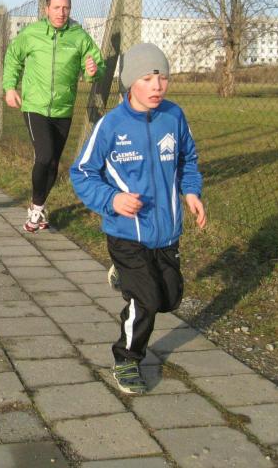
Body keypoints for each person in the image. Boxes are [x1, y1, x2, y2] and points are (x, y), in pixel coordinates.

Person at [69, 42, 206, 394]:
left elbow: (188, 160)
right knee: (145, 301)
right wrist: (112, 199)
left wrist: (191, 192)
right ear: (131, 83)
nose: (157, 86)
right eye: (147, 79)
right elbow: (82, 173)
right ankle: (127, 359)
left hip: (167, 231)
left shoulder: (174, 116)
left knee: (169, 298)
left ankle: (123, 277)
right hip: (126, 233)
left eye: (163, 78)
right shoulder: (111, 125)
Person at [3, 0, 104, 233]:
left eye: (66, 8)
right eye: (57, 8)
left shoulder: (79, 36)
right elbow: (13, 57)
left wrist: (93, 71)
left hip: (63, 108)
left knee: (54, 163)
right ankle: (36, 209)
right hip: (35, 106)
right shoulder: (32, 33)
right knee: (44, 156)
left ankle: (37, 206)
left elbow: (96, 66)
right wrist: (9, 87)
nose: (61, 13)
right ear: (46, 9)